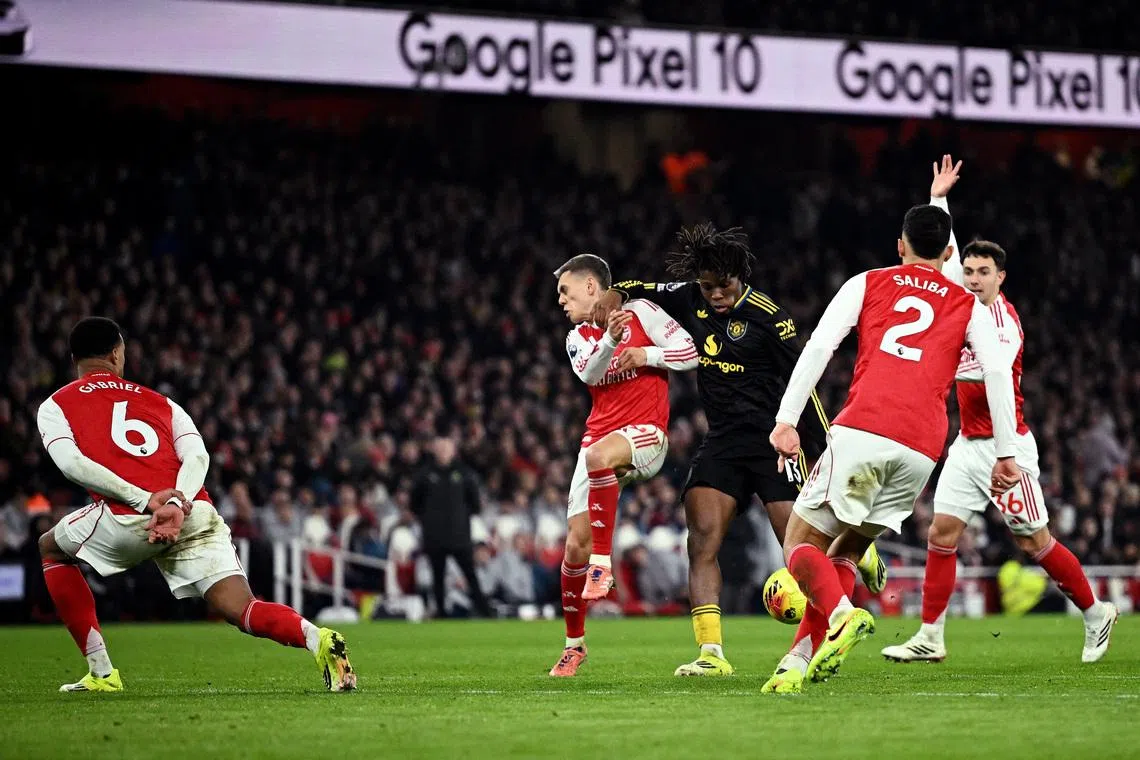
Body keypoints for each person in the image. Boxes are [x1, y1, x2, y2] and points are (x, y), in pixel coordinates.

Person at [602, 225, 887, 677]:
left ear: (740, 277)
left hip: (773, 442)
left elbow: (804, 383)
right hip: (723, 441)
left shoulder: (770, 318)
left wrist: (823, 445)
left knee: (800, 545)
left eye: (724, 285)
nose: (716, 294)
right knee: (701, 539)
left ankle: (852, 551)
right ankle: (711, 654)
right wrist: (614, 295)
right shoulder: (691, 297)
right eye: (707, 286)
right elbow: (640, 287)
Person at [762, 202, 1022, 694]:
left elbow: (819, 346)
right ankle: (797, 660)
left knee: (799, 543)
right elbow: (996, 373)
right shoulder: (970, 305)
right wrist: (1006, 451)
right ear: (950, 254)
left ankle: (841, 614)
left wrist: (786, 419)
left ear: (900, 245)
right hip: (921, 449)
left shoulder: (867, 282)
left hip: (866, 426)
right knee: (847, 548)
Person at [881, 156, 1118, 664]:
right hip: (968, 446)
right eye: (967, 270)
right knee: (942, 534)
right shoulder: (963, 304)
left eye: (983, 273)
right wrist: (938, 197)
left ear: (1000, 277)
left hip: (1006, 450)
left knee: (1035, 543)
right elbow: (940, 252)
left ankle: (1096, 611)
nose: (971, 279)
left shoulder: (1003, 324)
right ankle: (931, 636)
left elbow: (984, 376)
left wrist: (934, 361)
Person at [36, 317, 356, 693]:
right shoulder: (162, 403)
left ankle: (102, 673)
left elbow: (72, 464)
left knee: (51, 548)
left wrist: (147, 501)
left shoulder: (55, 405)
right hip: (195, 513)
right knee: (243, 607)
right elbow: (197, 456)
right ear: (116, 354)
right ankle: (317, 638)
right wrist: (179, 503)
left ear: (74, 358)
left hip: (129, 518)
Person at [550, 253, 699, 676]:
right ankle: (574, 646)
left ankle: (603, 565)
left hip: (646, 433)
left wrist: (646, 355)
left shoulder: (642, 311)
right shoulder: (578, 335)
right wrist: (612, 342)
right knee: (573, 546)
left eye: (565, 291)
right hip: (599, 437)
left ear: (590, 286)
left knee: (599, 458)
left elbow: (690, 352)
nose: (561, 300)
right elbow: (589, 374)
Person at [409, 436, 493, 618]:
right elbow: (415, 504)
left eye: (446, 448)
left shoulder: (464, 474)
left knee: (470, 575)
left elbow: (475, 503)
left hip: (459, 535)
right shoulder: (424, 475)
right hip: (434, 536)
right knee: (437, 576)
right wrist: (430, 519)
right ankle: (441, 613)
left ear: (453, 451)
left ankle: (485, 611)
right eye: (440, 448)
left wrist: (459, 517)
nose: (443, 452)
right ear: (434, 450)